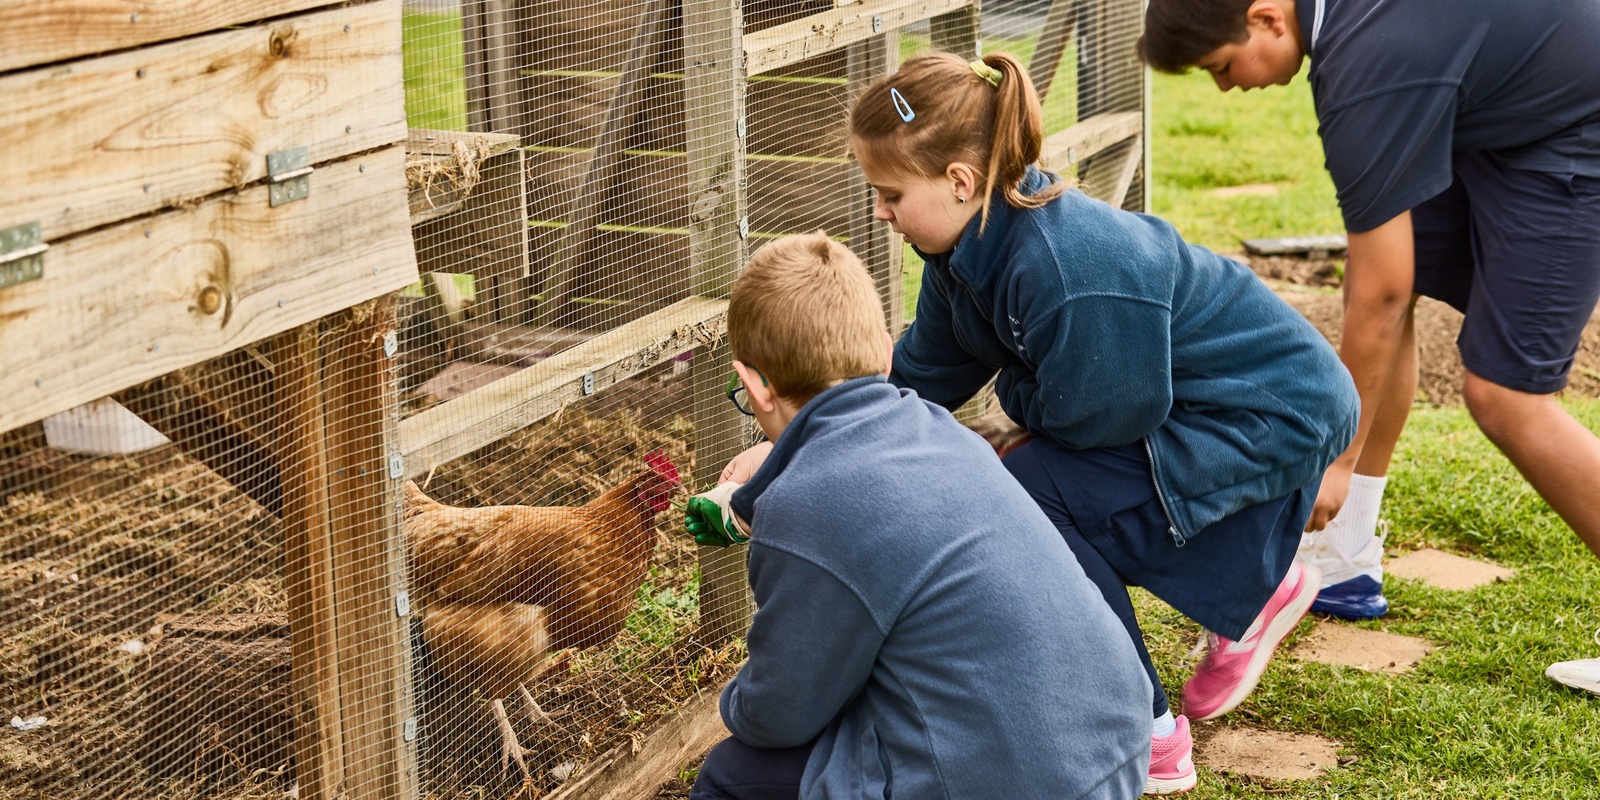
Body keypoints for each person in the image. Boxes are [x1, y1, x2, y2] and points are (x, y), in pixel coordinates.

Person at [841, 51, 1360, 793]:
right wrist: (811, 421)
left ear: (959, 180)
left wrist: (1010, 408)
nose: (879, 212)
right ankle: (1254, 588)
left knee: (1036, 490)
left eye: (889, 194)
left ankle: (1147, 732)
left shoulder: (1061, 264)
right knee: (1042, 479)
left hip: (1272, 408)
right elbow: (929, 368)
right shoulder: (962, 251)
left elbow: (1104, 417)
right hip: (1210, 402)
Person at [1137, 0, 1600, 695]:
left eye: (1221, 67)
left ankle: (1340, 520)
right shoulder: (1346, 31)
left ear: (1266, 18)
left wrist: (1338, 458)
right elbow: (1384, 276)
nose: (1227, 89)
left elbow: (1380, 296)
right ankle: (1345, 552)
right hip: (1512, 109)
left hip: (1573, 122)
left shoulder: (1364, 67)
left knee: (1506, 396)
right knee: (1387, 268)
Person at [682, 232, 1153, 800]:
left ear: (754, 383)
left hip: (1025, 783)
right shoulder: (943, 433)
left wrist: (732, 697)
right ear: (885, 353)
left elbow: (778, 714)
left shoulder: (806, 504)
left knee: (735, 774)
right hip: (1116, 754)